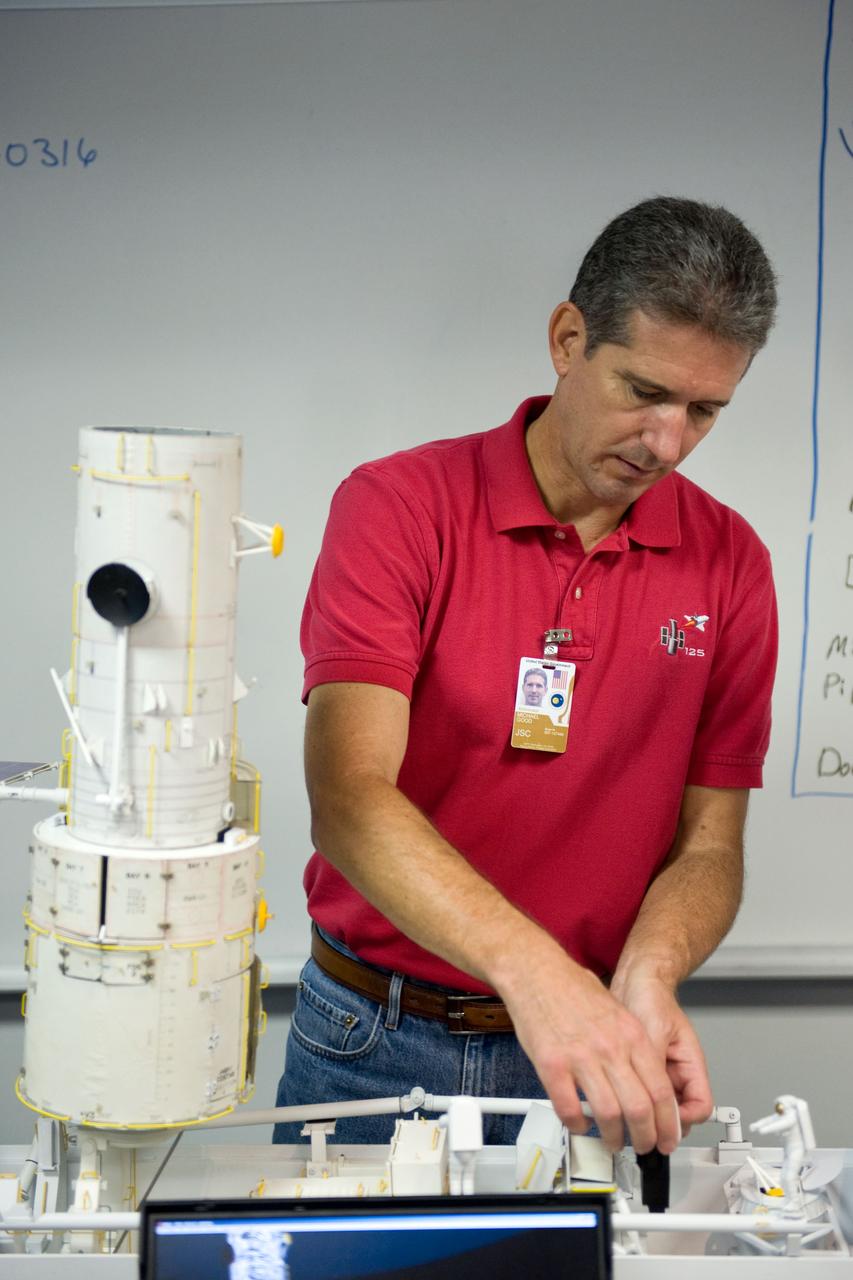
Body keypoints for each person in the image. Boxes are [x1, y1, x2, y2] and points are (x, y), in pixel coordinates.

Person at [274, 196, 779, 1156]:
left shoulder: (731, 563)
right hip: (370, 1039)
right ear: (566, 339)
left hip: (593, 1054)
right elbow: (347, 796)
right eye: (642, 392)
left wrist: (650, 973)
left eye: (703, 410)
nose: (665, 442)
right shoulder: (399, 507)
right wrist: (538, 977)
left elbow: (710, 844)